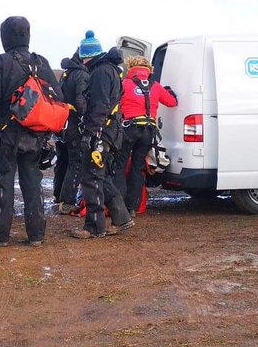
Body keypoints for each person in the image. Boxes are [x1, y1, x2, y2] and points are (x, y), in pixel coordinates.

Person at [0, 16, 62, 247]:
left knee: (3, 184)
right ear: (27, 35)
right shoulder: (41, 62)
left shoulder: (1, 62)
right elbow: (58, 98)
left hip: (7, 135)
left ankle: (0, 236)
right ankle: (36, 236)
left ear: (5, 37)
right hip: (36, 137)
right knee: (33, 185)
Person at [71, 31, 134, 240]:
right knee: (99, 176)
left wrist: (92, 134)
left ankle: (94, 226)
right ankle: (122, 217)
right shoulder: (111, 70)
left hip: (101, 133)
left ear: (85, 55)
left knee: (91, 178)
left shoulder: (99, 73)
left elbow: (99, 106)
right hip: (110, 131)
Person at [113, 55, 177, 214]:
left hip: (129, 128)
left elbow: (113, 103)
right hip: (149, 130)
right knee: (137, 167)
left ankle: (118, 207)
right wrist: (169, 92)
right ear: (149, 70)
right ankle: (132, 207)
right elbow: (172, 102)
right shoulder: (155, 86)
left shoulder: (124, 84)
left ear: (131, 67)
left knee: (120, 166)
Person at [53, 48, 88, 214]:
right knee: (76, 162)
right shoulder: (81, 75)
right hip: (73, 124)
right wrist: (86, 118)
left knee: (63, 160)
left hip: (61, 122)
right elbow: (81, 101)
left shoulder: (67, 73)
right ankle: (67, 201)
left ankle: (58, 195)